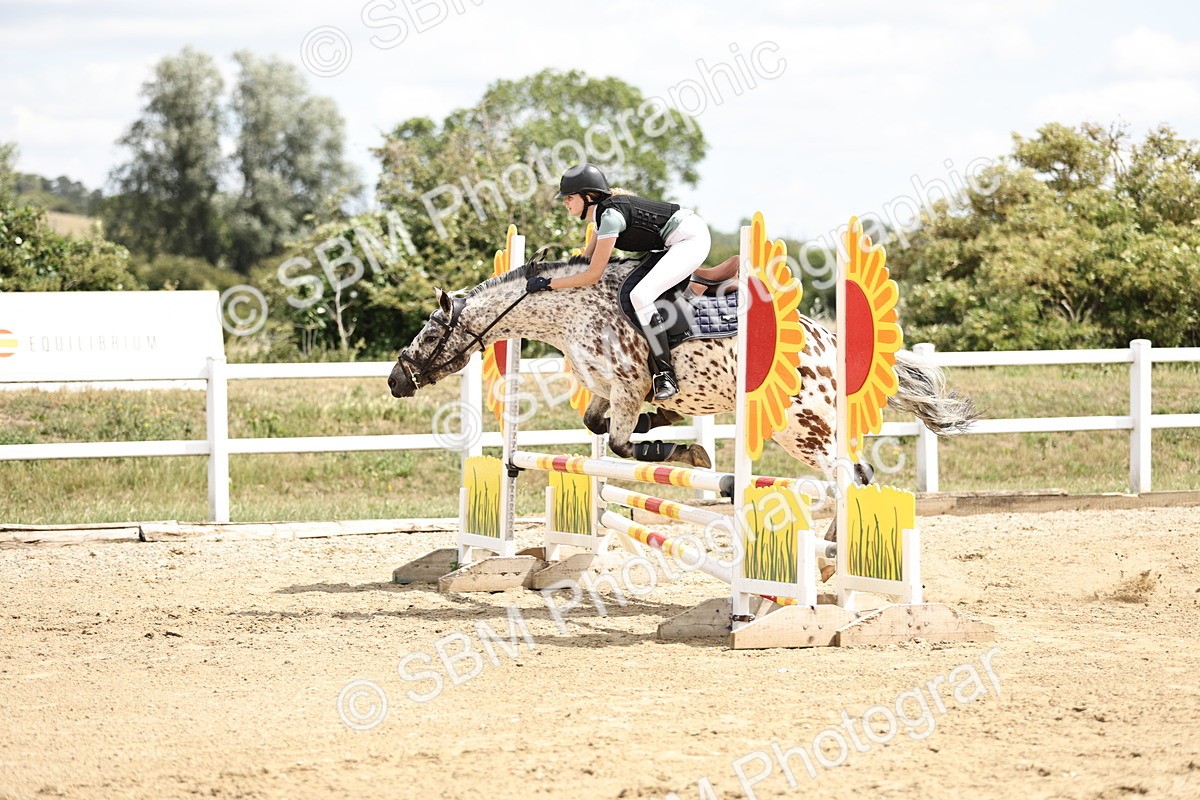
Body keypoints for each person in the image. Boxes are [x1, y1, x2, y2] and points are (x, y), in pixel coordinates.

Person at [526, 163, 713, 401]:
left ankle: (665, 375)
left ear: (588, 196)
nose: (565, 202)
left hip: (690, 240)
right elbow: (585, 261)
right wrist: (552, 273)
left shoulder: (610, 218)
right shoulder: (601, 216)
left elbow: (593, 275)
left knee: (640, 296)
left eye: (569, 197)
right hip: (669, 243)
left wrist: (549, 283)